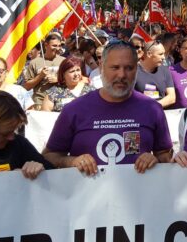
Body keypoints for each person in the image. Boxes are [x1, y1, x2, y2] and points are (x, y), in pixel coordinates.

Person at [43, 41, 173, 174]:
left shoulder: (152, 109)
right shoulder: (74, 110)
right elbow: (49, 156)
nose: (122, 75)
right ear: (101, 67)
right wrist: (72, 161)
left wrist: (155, 160)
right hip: (87, 193)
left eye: (129, 68)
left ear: (136, 69)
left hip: (138, 192)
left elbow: (164, 154)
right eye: (115, 67)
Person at [23, 33, 66, 109]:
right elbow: (27, 87)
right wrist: (40, 76)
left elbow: (71, 81)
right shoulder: (34, 62)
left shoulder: (64, 61)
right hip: (39, 102)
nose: (57, 48)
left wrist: (58, 80)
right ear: (46, 45)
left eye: (59, 46)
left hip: (59, 101)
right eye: (54, 46)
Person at [134, 40, 176, 108]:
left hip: (160, 113)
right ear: (149, 54)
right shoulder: (133, 71)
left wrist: (153, 106)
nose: (163, 57)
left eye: (164, 54)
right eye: (160, 54)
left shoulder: (164, 70)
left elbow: (172, 97)